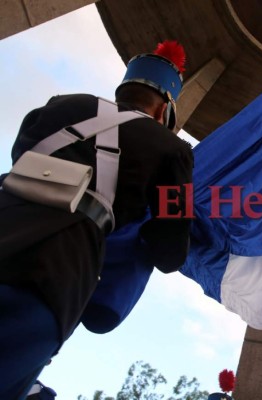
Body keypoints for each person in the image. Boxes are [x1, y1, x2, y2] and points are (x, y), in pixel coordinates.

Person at [0, 40, 193, 399]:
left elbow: (20, 156)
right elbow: (171, 249)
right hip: (53, 275)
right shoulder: (173, 150)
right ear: (164, 109)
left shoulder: (61, 105)